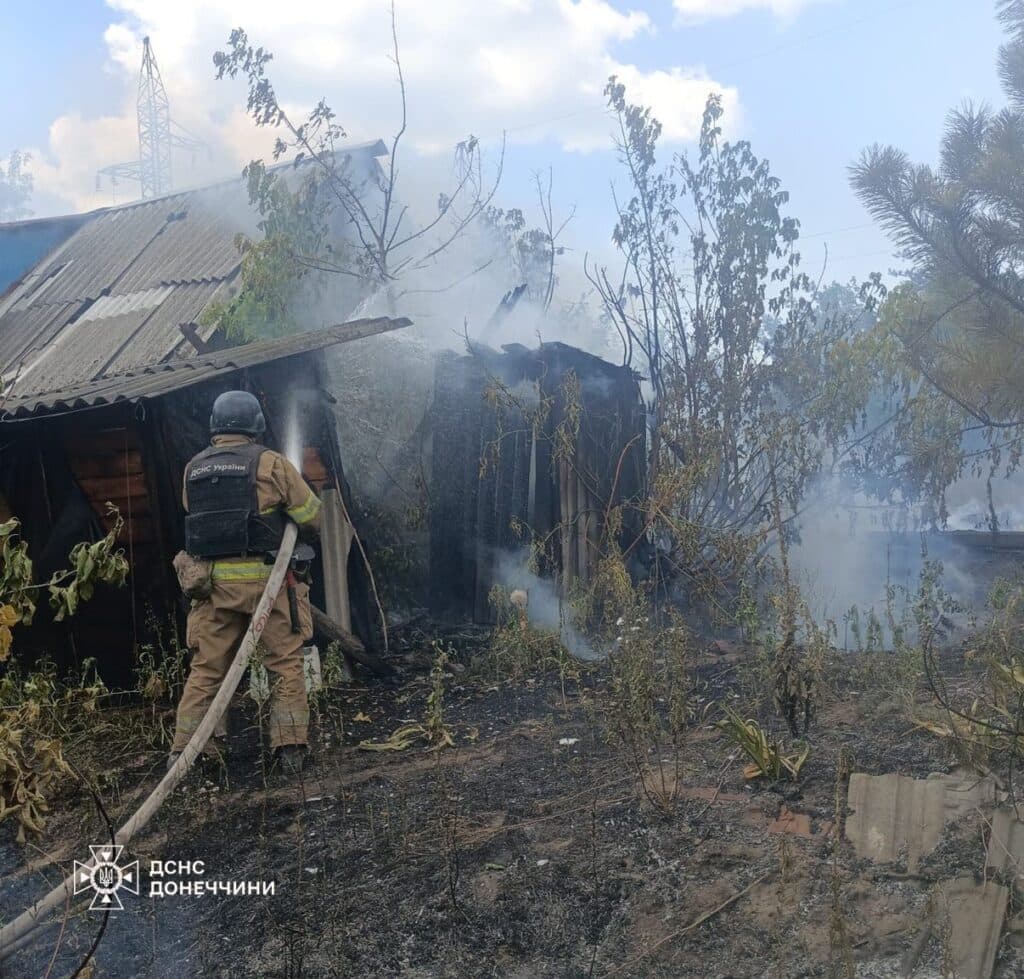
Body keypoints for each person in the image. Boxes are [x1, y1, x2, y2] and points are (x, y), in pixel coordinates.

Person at [168, 390, 321, 775]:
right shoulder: (270, 463)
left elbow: (193, 513)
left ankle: (188, 753)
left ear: (215, 427)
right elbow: (310, 515)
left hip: (212, 591)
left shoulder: (193, 469)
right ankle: (289, 750)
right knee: (284, 664)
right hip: (267, 586)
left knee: (206, 671)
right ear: (256, 425)